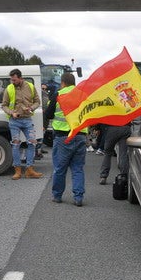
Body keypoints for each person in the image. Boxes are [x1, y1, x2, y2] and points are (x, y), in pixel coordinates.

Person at [46, 72, 87, 206]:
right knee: (78, 169)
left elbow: (48, 114)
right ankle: (78, 197)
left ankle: (57, 196)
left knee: (60, 169)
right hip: (80, 136)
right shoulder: (83, 95)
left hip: (62, 137)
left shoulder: (58, 95)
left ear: (63, 83)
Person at [1, 68, 43, 180]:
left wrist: (31, 108)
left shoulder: (30, 86)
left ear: (20, 78)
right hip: (14, 120)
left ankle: (29, 170)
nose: (12, 82)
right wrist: (12, 113)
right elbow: (4, 105)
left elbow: (37, 101)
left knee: (32, 143)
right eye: (11, 80)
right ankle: (17, 171)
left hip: (27, 119)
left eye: (14, 80)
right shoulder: (9, 88)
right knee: (15, 144)